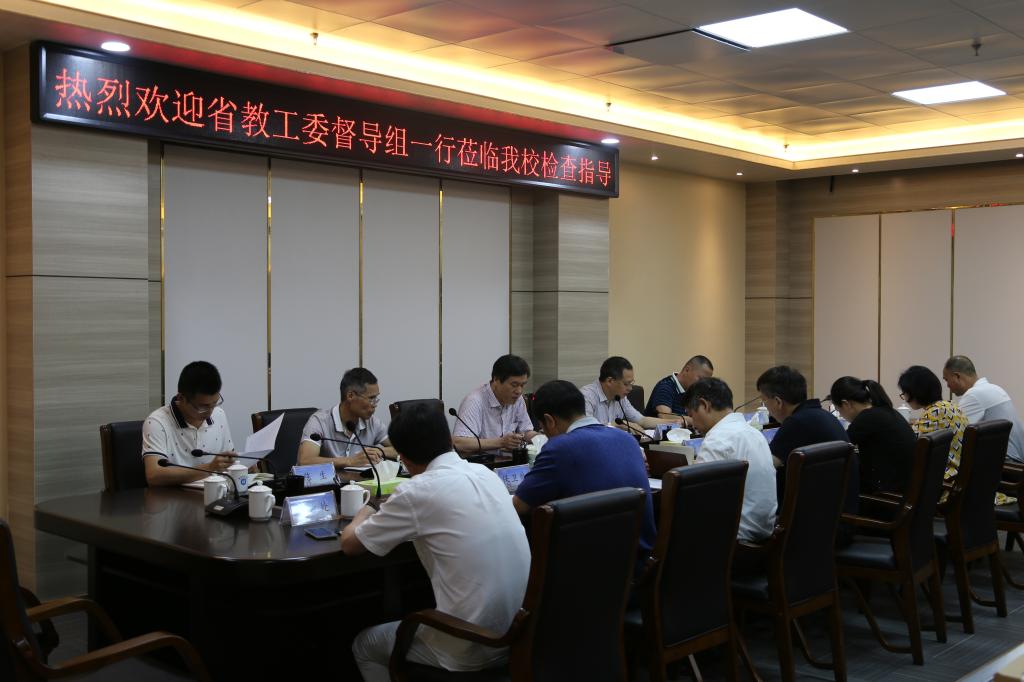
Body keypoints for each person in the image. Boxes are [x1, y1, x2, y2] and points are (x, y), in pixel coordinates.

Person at [342, 405, 529, 681]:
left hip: (467, 645)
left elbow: (350, 544)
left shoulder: (417, 491)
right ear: (449, 441)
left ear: (404, 459)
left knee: (365, 645)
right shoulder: (485, 473)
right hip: (518, 636)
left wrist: (365, 510)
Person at [512, 380, 656, 562]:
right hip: (638, 561)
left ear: (549, 420)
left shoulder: (559, 448)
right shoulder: (627, 439)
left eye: (543, 428)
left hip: (587, 568)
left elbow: (519, 506)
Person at [757, 366, 858, 535]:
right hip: (840, 521)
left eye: (764, 401)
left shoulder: (797, 423)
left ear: (778, 402)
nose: (766, 408)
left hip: (817, 529)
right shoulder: (822, 416)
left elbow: (764, 468)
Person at [684, 378, 777, 541]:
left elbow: (699, 498)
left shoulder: (717, 439)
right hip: (765, 530)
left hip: (735, 537)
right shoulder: (755, 433)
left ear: (704, 405)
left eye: (691, 415)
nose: (692, 424)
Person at [142, 361, 236, 486]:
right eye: (203, 406)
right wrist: (209, 468)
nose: (210, 412)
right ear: (181, 398)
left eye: (215, 403)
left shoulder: (219, 414)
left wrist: (241, 466)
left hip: (216, 493)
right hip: (174, 496)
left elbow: (228, 461)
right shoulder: (157, 422)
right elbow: (154, 476)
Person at [831, 376, 915, 494]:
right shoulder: (886, 411)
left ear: (846, 404)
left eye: (838, 410)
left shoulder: (866, 418)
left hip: (887, 494)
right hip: (905, 488)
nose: (841, 415)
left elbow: (839, 449)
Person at [297, 368, 395, 469]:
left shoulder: (372, 423)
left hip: (360, 479)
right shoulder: (319, 421)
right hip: (329, 480)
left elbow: (401, 449)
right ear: (350, 396)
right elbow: (305, 461)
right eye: (371, 398)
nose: (374, 405)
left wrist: (379, 451)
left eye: (376, 398)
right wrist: (350, 461)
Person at [899, 365, 968, 497]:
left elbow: (908, 444)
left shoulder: (934, 413)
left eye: (904, 393)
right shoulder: (950, 406)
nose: (904, 397)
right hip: (961, 479)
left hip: (946, 483)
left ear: (915, 392)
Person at [943, 355, 1024, 463]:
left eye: (947, 380)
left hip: (1005, 465)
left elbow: (954, 433)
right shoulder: (995, 389)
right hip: (1017, 462)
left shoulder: (973, 395)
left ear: (957, 376)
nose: (947, 385)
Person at [451, 354, 537, 456]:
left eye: (522, 385)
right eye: (514, 385)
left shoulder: (518, 399)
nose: (519, 391)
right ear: (496, 380)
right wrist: (501, 442)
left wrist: (542, 438)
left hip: (511, 461)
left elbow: (526, 431)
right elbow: (459, 443)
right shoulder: (475, 401)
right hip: (483, 463)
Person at [580, 356, 681, 434]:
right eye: (626, 384)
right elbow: (584, 430)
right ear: (610, 381)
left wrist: (674, 422)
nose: (630, 388)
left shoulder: (620, 397)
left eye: (631, 383)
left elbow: (642, 420)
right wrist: (615, 425)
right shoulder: (586, 396)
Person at [644, 355, 714, 425]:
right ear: (687, 370)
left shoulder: (694, 392)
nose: (702, 384)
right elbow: (665, 417)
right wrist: (697, 421)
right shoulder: (665, 386)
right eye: (701, 379)